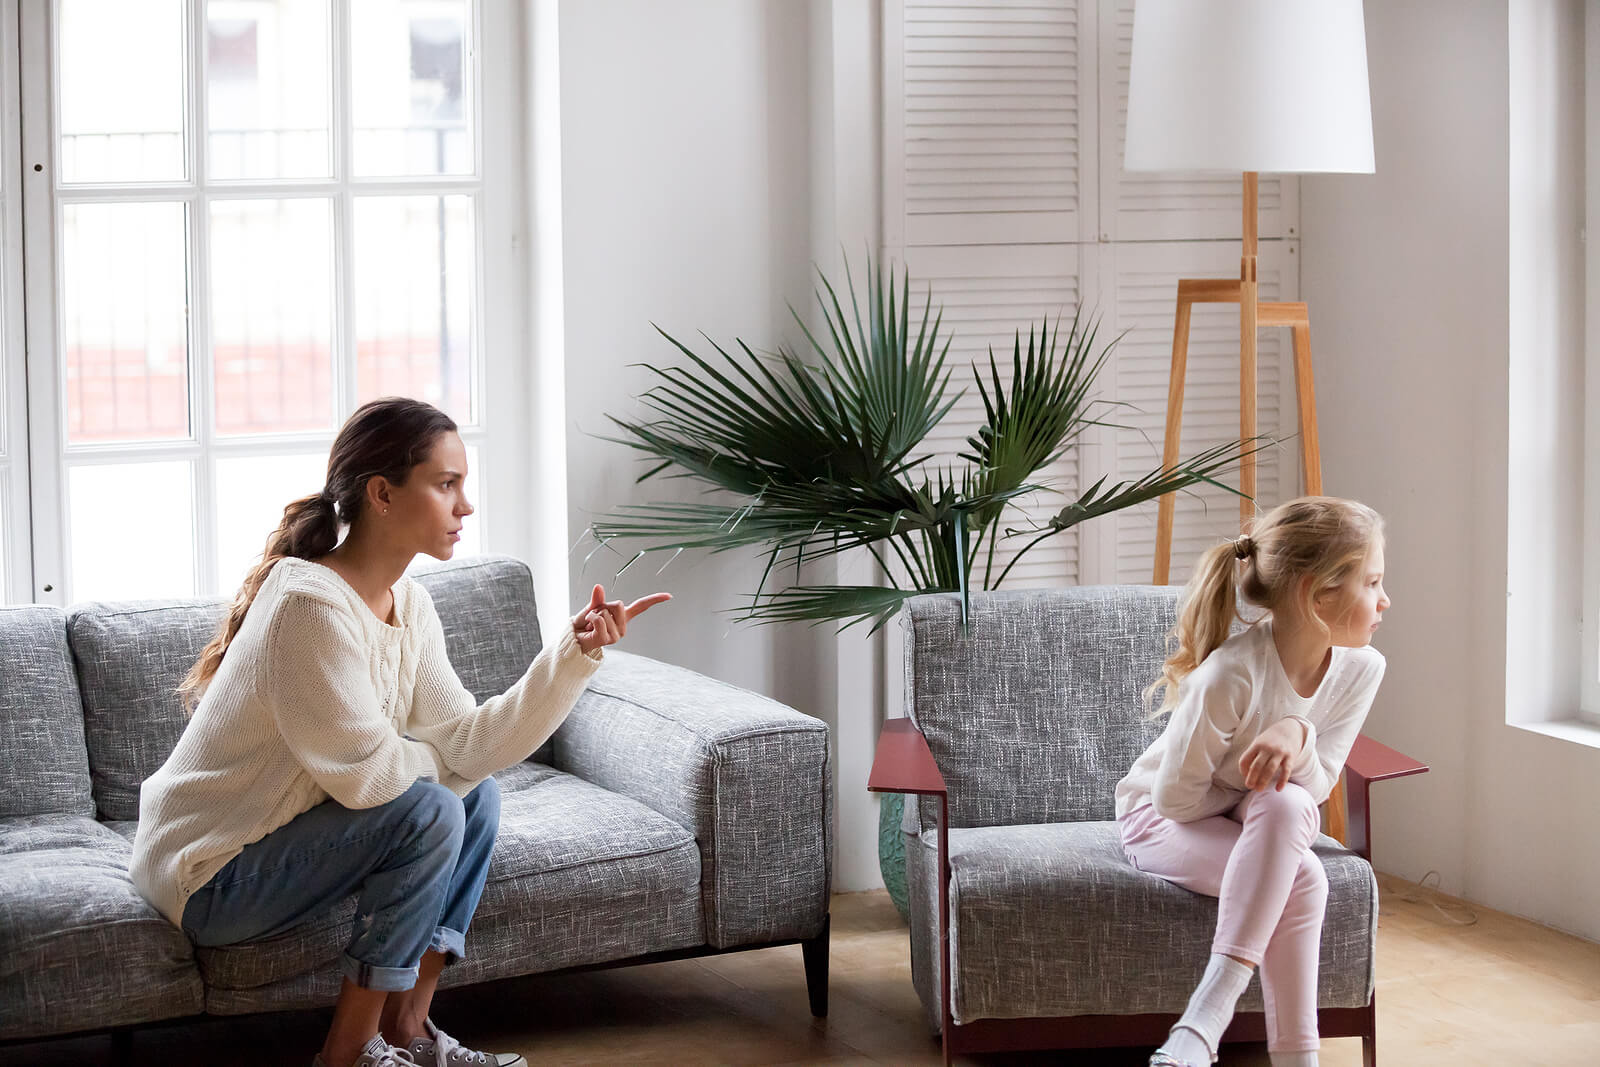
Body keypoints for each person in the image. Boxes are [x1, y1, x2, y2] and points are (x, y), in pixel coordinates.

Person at [130, 397, 670, 1067]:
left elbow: (471, 744)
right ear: (382, 493)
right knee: (433, 806)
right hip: (208, 874)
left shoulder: (409, 604)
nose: (465, 506)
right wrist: (442, 758)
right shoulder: (309, 606)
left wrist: (572, 655)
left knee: (476, 795)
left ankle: (411, 1029)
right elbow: (371, 777)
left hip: (274, 850)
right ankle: (348, 1052)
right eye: (447, 485)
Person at [1114, 496, 1390, 1067]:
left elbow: (1315, 789)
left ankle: (1197, 1036)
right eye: (1372, 582)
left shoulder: (1364, 669)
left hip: (1252, 817)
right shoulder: (1230, 675)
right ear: (1318, 596)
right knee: (1303, 877)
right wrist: (1251, 784)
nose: (1385, 600)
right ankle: (1261, 1044)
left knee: (1288, 805)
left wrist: (1297, 732)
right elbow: (1177, 799)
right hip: (1158, 819)